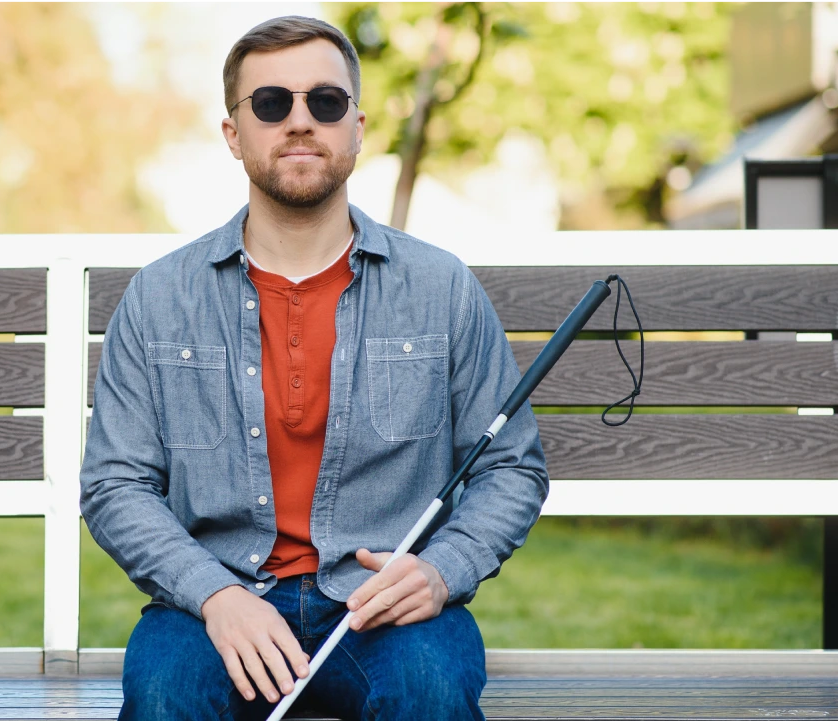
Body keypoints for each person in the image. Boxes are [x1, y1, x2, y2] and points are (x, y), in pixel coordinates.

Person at [79, 15, 548, 721]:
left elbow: (511, 467)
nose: (300, 121)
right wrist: (214, 594)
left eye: (324, 102)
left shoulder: (441, 287)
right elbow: (115, 482)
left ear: (357, 127)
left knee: (429, 691)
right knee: (166, 693)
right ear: (234, 133)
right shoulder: (160, 294)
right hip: (219, 599)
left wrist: (443, 570)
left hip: (383, 607)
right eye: (271, 104)